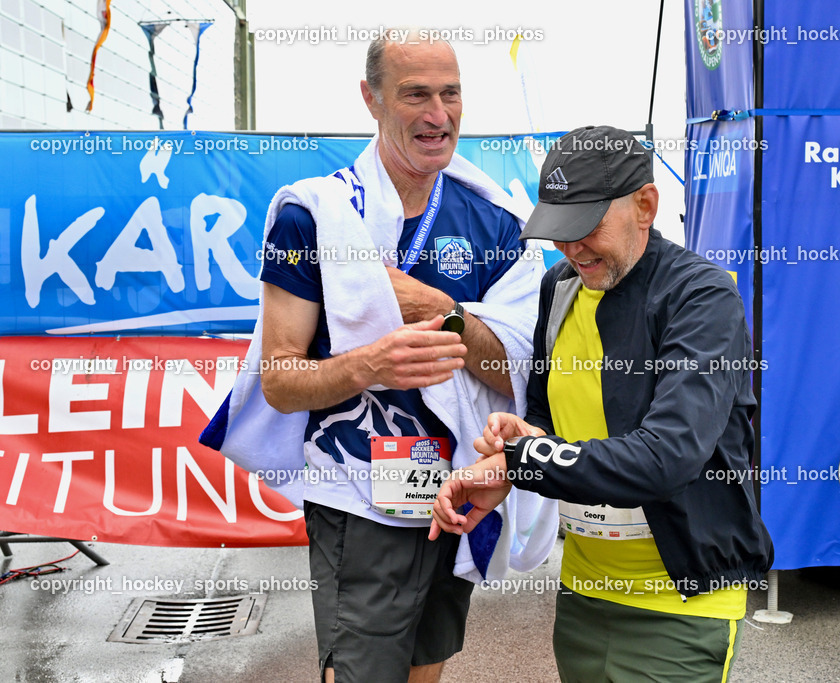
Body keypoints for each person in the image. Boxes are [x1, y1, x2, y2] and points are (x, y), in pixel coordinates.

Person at [204, 35, 553, 683]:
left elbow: (522, 374)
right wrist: (371, 365)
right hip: (358, 496)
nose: (438, 114)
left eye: (450, 94)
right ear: (371, 98)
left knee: (426, 666)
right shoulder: (314, 217)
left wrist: (436, 310)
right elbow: (279, 382)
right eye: (415, 94)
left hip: (459, 487)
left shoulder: (498, 225)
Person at [431, 125, 774, 682]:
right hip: (584, 594)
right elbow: (546, 418)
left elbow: (666, 458)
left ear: (646, 205)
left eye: (586, 227)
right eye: (559, 231)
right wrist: (518, 448)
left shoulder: (702, 295)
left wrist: (525, 462)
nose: (571, 248)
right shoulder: (561, 285)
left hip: (679, 605)